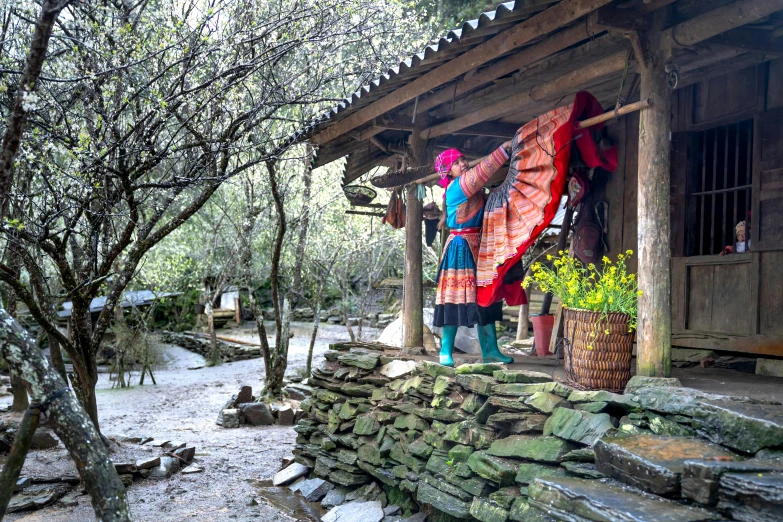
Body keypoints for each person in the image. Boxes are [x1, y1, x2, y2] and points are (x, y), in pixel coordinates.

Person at [433, 144, 514, 367]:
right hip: (459, 247)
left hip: (479, 245)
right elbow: (484, 169)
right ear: (448, 171)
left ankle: (491, 350)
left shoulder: (474, 189)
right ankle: (445, 350)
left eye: (463, 160)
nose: (463, 164)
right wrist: (504, 149)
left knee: (487, 296)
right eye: (456, 163)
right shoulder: (457, 187)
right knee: (455, 297)